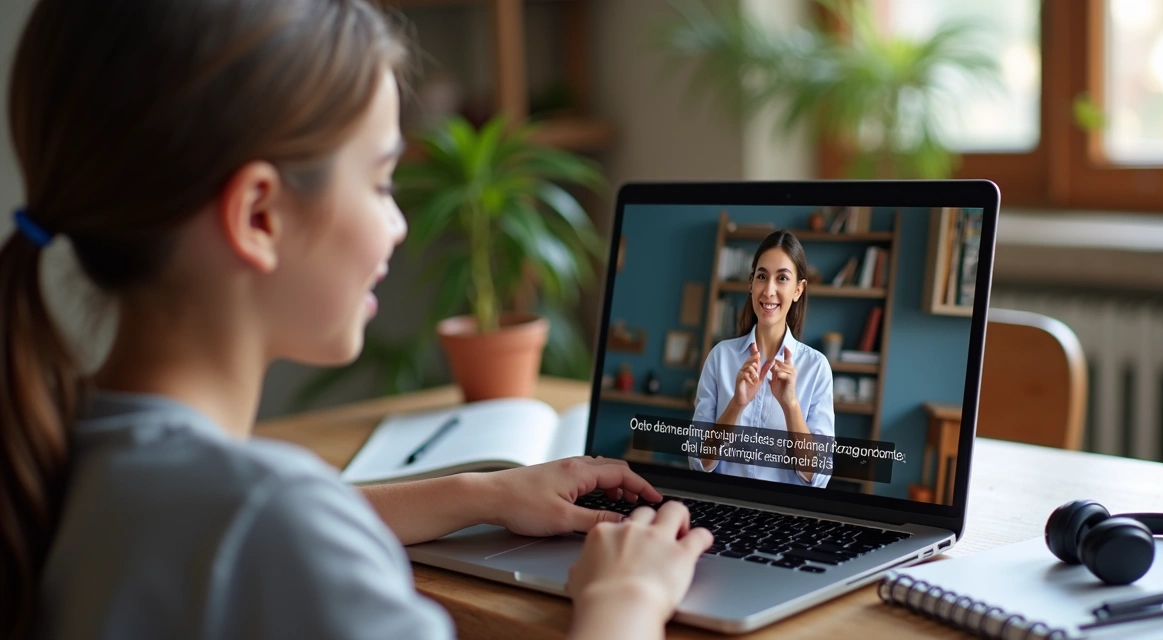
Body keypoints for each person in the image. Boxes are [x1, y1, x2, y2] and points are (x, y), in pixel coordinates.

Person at [0, 2, 712, 639]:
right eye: (380, 182)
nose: (398, 226)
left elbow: (246, 525)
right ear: (259, 216)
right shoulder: (270, 522)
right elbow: (273, 528)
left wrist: (482, 493)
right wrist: (625, 600)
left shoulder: (61, 456)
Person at [689, 230, 835, 487]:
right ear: (751, 284)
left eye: (782, 278)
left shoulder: (817, 367)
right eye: (762, 276)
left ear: (798, 289)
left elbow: (818, 477)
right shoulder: (720, 357)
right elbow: (698, 461)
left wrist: (790, 405)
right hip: (723, 502)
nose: (769, 290)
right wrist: (736, 404)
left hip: (783, 509)